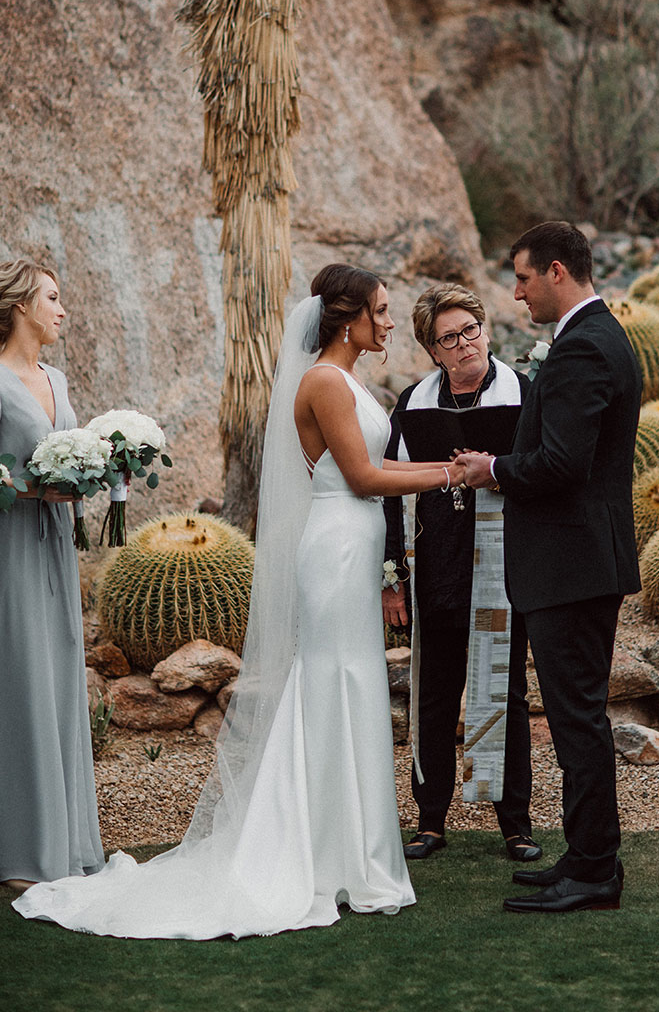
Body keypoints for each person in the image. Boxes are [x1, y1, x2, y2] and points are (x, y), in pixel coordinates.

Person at [15, 263, 466, 938]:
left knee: (350, 684)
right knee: (330, 685)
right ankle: (311, 853)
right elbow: (364, 476)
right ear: (349, 320)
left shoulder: (350, 380)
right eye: (382, 309)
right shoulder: (322, 381)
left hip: (354, 544)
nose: (392, 321)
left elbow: (378, 474)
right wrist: (456, 473)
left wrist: (445, 471)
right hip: (337, 547)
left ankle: (344, 850)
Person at [458, 222, 642, 915]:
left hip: (572, 564)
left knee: (577, 720)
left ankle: (595, 870)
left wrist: (492, 468)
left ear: (558, 272)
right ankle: (588, 853)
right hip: (581, 561)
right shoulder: (599, 336)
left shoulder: (584, 348)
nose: (516, 291)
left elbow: (563, 465)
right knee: (576, 718)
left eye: (524, 278)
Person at [382, 283, 539, 863]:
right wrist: (393, 576)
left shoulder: (523, 392)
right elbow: (389, 494)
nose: (465, 342)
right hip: (438, 570)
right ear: (433, 350)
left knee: (506, 692)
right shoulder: (415, 403)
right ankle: (431, 821)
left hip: (505, 565)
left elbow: (542, 470)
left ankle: (515, 824)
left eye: (470, 328)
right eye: (449, 337)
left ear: (485, 328)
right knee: (436, 696)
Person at [0, 259, 105, 892]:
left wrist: (97, 471)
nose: (62, 310)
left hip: (56, 548)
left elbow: (69, 454)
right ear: (19, 306)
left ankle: (63, 839)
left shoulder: (56, 378)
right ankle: (19, 844)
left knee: (60, 669)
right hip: (10, 542)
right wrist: (29, 489)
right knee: (18, 674)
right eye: (53, 298)